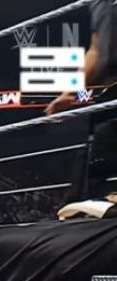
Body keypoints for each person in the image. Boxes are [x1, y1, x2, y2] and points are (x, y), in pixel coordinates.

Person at [50, 0, 117, 202]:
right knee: (95, 162)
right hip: (109, 92)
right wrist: (70, 92)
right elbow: (96, 50)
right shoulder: (98, 3)